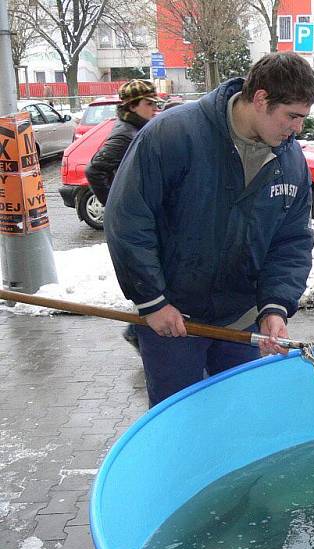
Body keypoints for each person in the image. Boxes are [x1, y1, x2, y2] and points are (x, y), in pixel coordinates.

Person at [105, 52, 314, 406]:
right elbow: (128, 217)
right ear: (262, 99)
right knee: (177, 425)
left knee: (234, 423)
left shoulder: (291, 160)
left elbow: (291, 241)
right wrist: (151, 300)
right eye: (292, 116)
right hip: (172, 319)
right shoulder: (174, 133)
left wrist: (274, 306)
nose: (297, 128)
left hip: (240, 322)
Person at [84, 81, 169, 353]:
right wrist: (115, 206)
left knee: (153, 278)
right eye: (149, 103)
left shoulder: (136, 129)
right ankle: (137, 331)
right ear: (131, 106)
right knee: (149, 277)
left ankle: (137, 329)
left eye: (156, 103)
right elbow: (94, 170)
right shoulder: (124, 134)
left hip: (145, 217)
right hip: (135, 223)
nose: (154, 108)